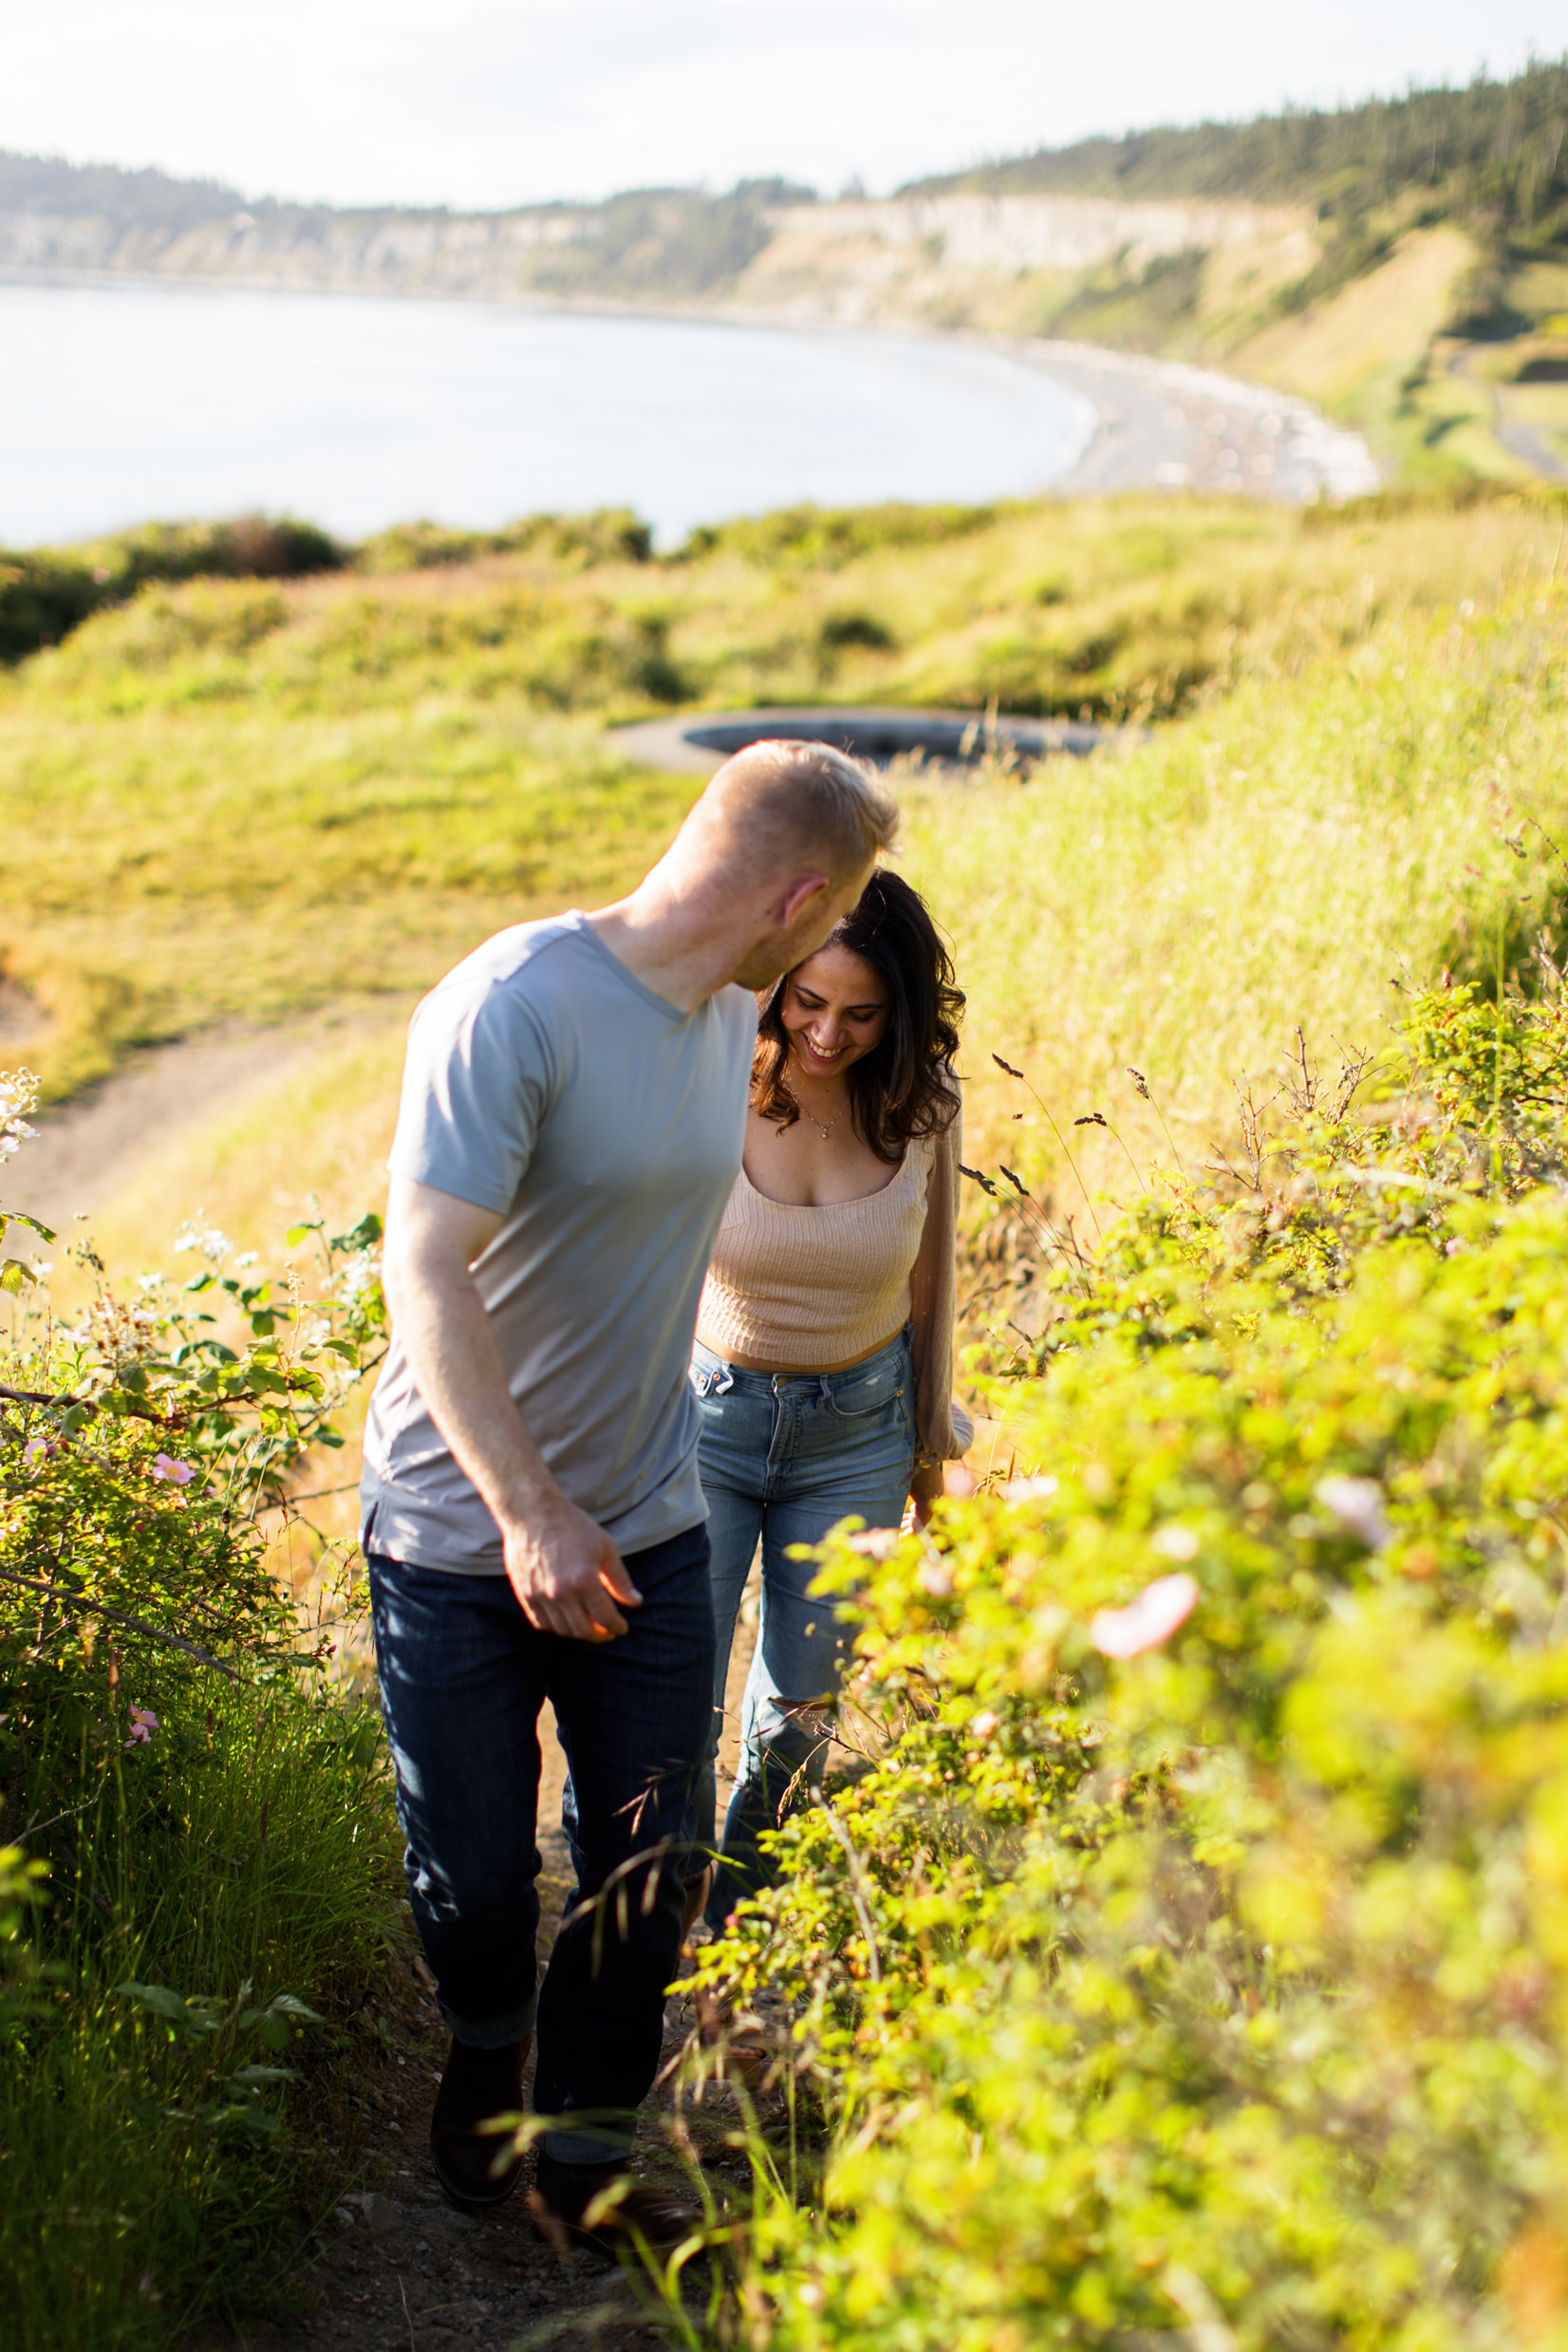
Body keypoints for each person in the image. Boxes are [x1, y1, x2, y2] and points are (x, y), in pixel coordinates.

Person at [359, 740, 897, 2252]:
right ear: (797, 899)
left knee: (649, 1865)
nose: (830, 945)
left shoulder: (729, 1016)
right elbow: (423, 1266)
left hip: (651, 1520)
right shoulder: (512, 1004)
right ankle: (486, 2041)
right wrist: (529, 1510)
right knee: (477, 1880)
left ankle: (585, 2162)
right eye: (836, 912)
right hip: (458, 1529)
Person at [689, 867, 970, 1948]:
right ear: (774, 982)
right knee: (673, 1700)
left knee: (800, 1718)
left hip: (858, 1435)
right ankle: (647, 1913)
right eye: (808, 1001)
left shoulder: (923, 1101)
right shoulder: (711, 1067)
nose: (825, 1034)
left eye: (861, 1013)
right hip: (703, 1426)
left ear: (901, 1009)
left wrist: (929, 1462)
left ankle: (737, 1936)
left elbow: (933, 1284)